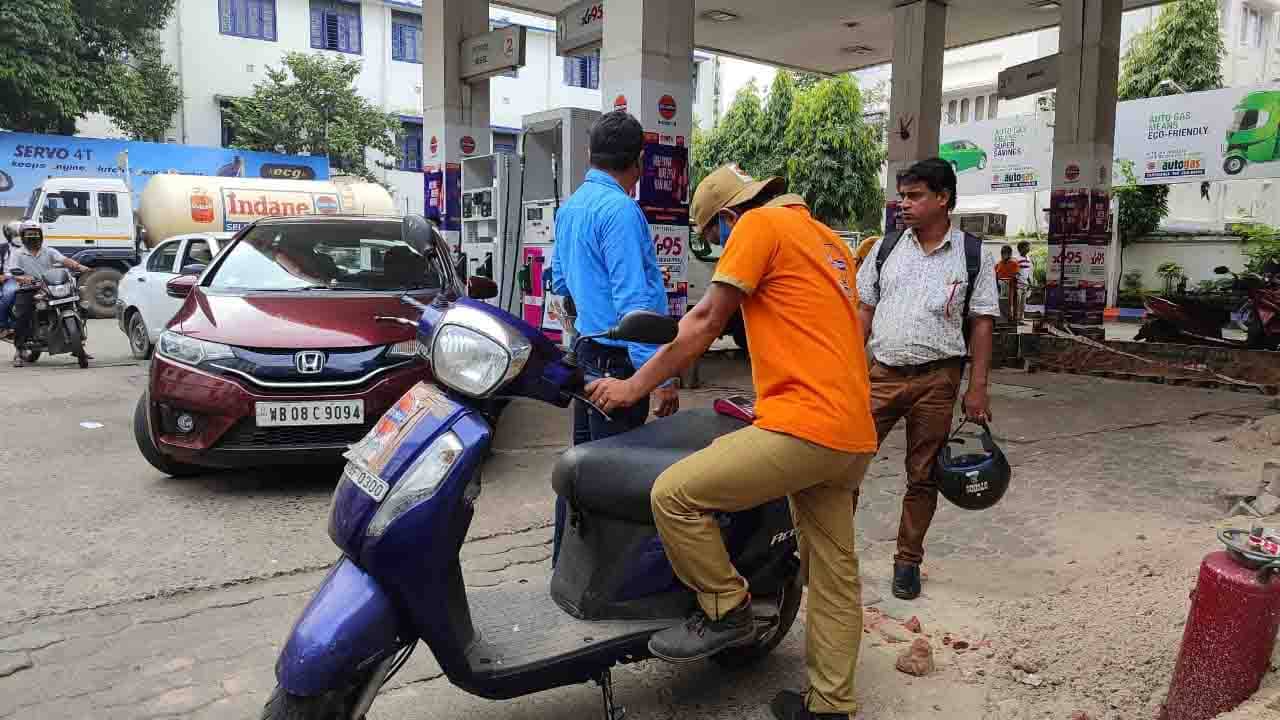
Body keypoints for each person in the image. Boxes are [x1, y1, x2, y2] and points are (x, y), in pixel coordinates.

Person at [587, 164, 877, 720]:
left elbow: (703, 323)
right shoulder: (825, 238)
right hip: (851, 433)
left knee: (674, 494)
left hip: (801, 426)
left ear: (726, 217)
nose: (719, 247)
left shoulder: (757, 227)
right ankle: (831, 705)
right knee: (836, 574)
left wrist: (633, 387)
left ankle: (726, 605)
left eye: (714, 237)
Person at [855, 158, 999, 601]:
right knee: (845, 467)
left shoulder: (973, 255)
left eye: (915, 196)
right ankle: (831, 555)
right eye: (903, 195)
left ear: (943, 199)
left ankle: (907, 562)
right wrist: (846, 370)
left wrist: (977, 388)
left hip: (938, 381)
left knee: (922, 476)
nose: (905, 204)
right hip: (880, 376)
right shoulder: (884, 248)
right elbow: (864, 309)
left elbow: (981, 324)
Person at [548, 110, 678, 564]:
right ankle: (606, 578)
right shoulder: (621, 211)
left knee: (581, 467)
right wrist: (657, 376)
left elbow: (559, 282)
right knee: (616, 475)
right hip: (618, 361)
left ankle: (567, 561)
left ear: (590, 153)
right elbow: (634, 307)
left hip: (584, 352)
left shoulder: (572, 207)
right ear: (638, 161)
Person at [9, 224, 91, 367]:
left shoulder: (49, 251)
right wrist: (23, 278)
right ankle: (20, 349)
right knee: (22, 313)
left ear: (40, 236)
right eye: (29, 235)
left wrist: (78, 266)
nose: (33, 238)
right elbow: (12, 271)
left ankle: (78, 344)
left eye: (35, 234)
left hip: (50, 286)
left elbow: (64, 260)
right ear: (23, 237)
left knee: (77, 302)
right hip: (29, 288)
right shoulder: (18, 254)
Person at [0, 223, 20, 339]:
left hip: (32, 279)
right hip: (11, 279)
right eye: (15, 234)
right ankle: (3, 326)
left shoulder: (31, 247)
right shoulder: (3, 249)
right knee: (8, 295)